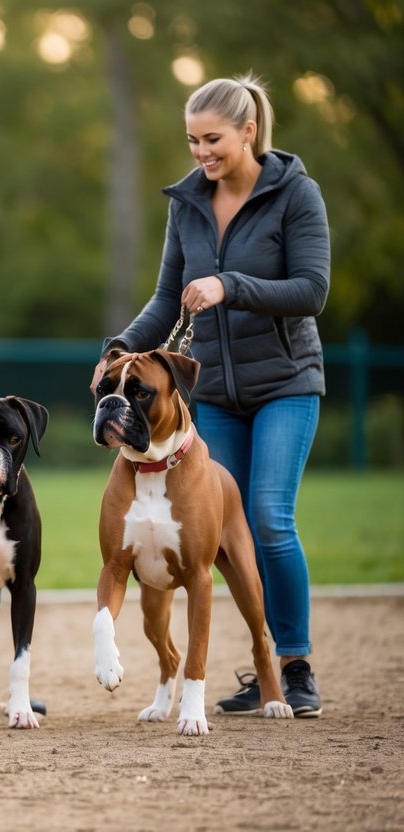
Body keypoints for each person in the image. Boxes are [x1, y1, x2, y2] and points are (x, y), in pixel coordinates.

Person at [90, 74, 329, 718]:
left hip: (285, 382)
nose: (201, 152)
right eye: (193, 139)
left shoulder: (295, 195)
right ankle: (253, 670)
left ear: (248, 131)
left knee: (270, 518)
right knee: (221, 537)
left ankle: (294, 665)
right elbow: (169, 298)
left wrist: (230, 284)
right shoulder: (188, 202)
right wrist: (119, 349)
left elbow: (312, 290)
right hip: (213, 391)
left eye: (213, 139)